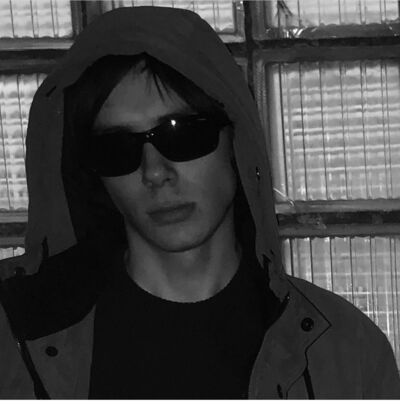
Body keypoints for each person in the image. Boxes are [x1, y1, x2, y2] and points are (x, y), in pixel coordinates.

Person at [0, 6, 399, 399]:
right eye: (117, 147)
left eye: (182, 134)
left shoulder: (345, 355)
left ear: (236, 141)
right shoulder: (13, 337)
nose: (155, 172)